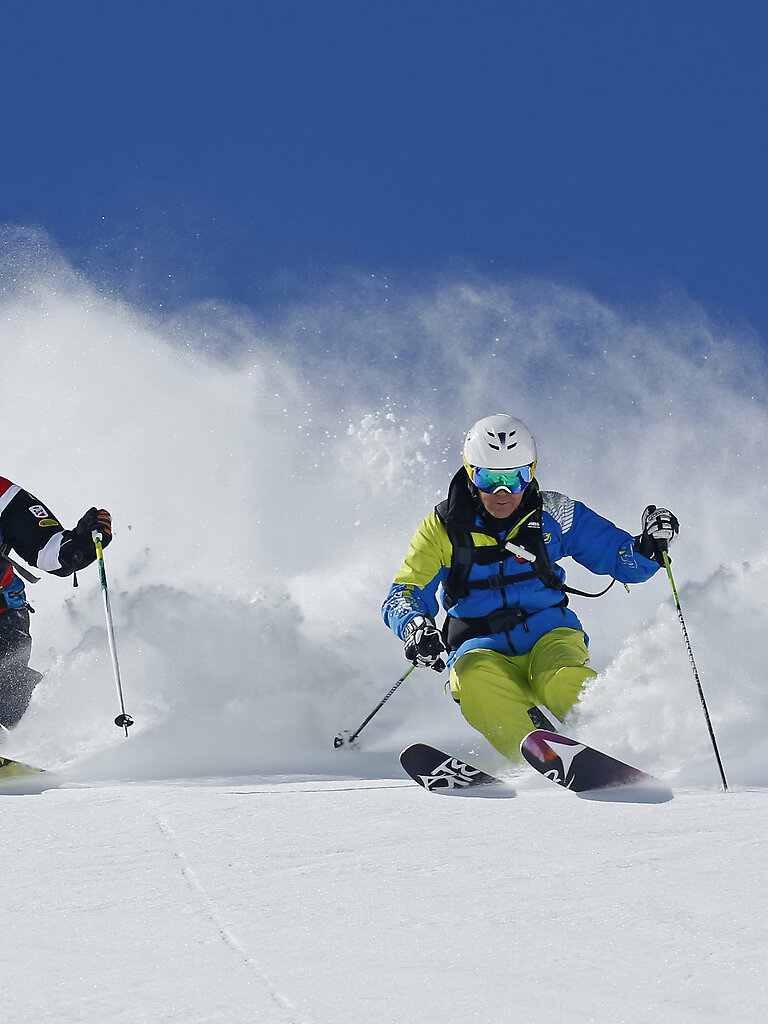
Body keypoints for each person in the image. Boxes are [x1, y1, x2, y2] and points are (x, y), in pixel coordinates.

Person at [381, 413, 678, 761]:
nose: (503, 492)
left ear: (531, 472)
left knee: (564, 680)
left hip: (550, 633)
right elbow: (405, 592)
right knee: (474, 682)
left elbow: (620, 558)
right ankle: (542, 761)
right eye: (489, 478)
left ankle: (624, 749)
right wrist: (416, 626)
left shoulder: (555, 513)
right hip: (479, 645)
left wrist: (647, 548)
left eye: (516, 477)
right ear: (470, 472)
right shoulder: (441, 528)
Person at [0, 475, 112, 729]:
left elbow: (46, 549)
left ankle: (77, 729)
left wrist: (81, 544)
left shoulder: (2, 495)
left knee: (7, 692)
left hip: (3, 614)